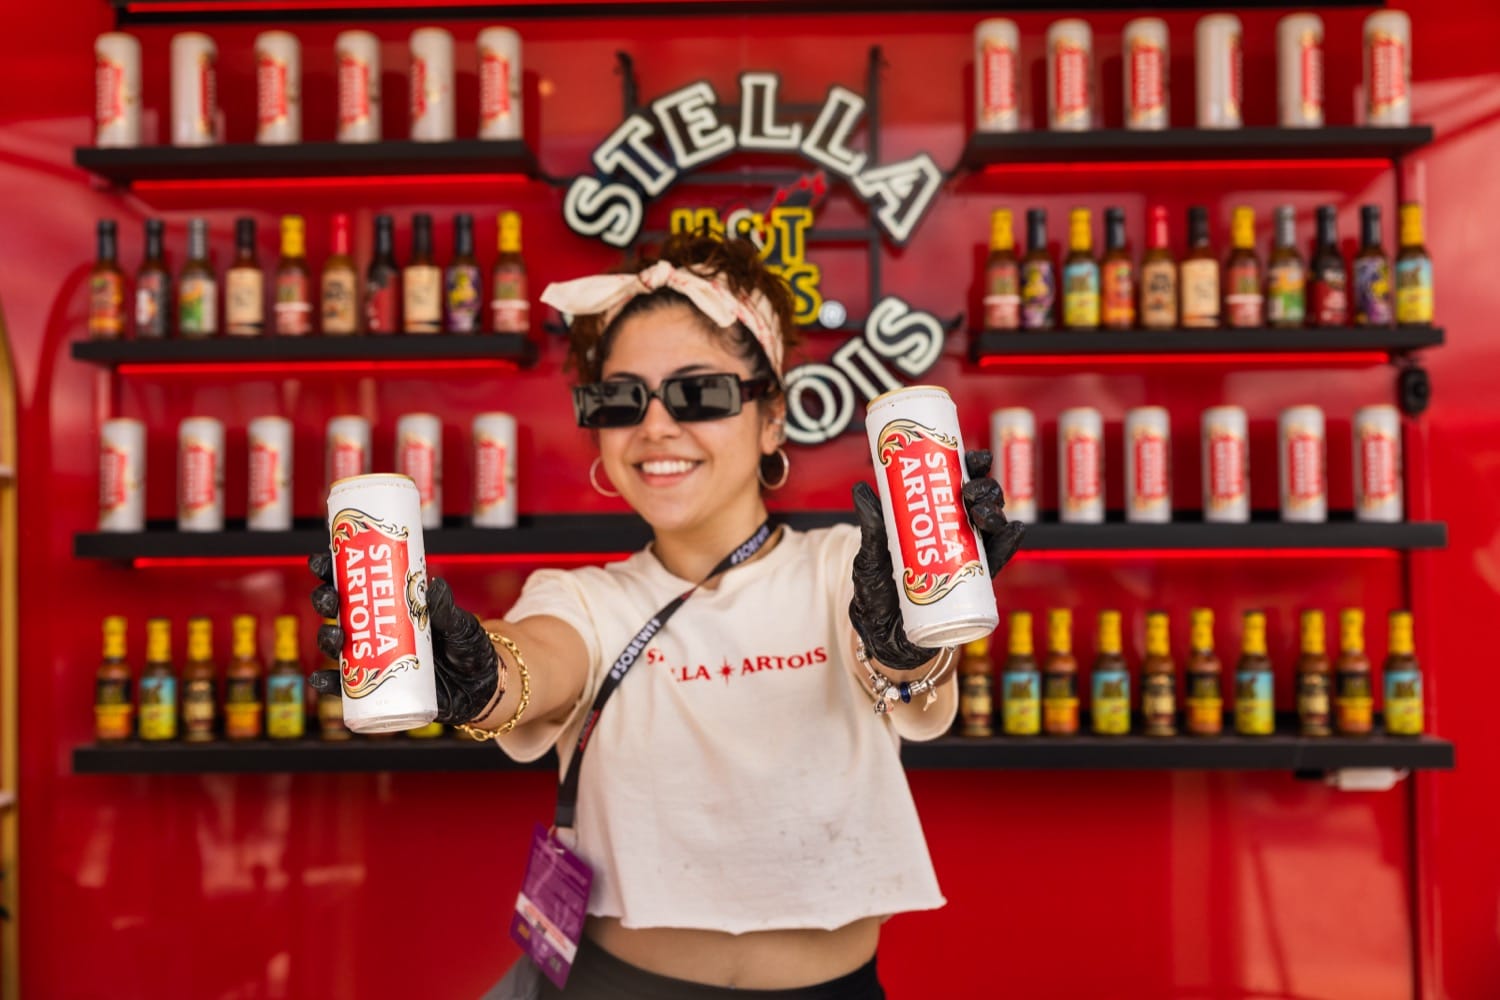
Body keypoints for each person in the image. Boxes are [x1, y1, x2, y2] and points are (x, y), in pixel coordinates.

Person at [309, 232, 1023, 999]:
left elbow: (908, 682)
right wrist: (475, 676)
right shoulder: (583, 597)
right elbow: (534, 661)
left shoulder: (846, 568)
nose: (654, 428)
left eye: (698, 394)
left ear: (772, 417)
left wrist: (910, 647)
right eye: (620, 401)